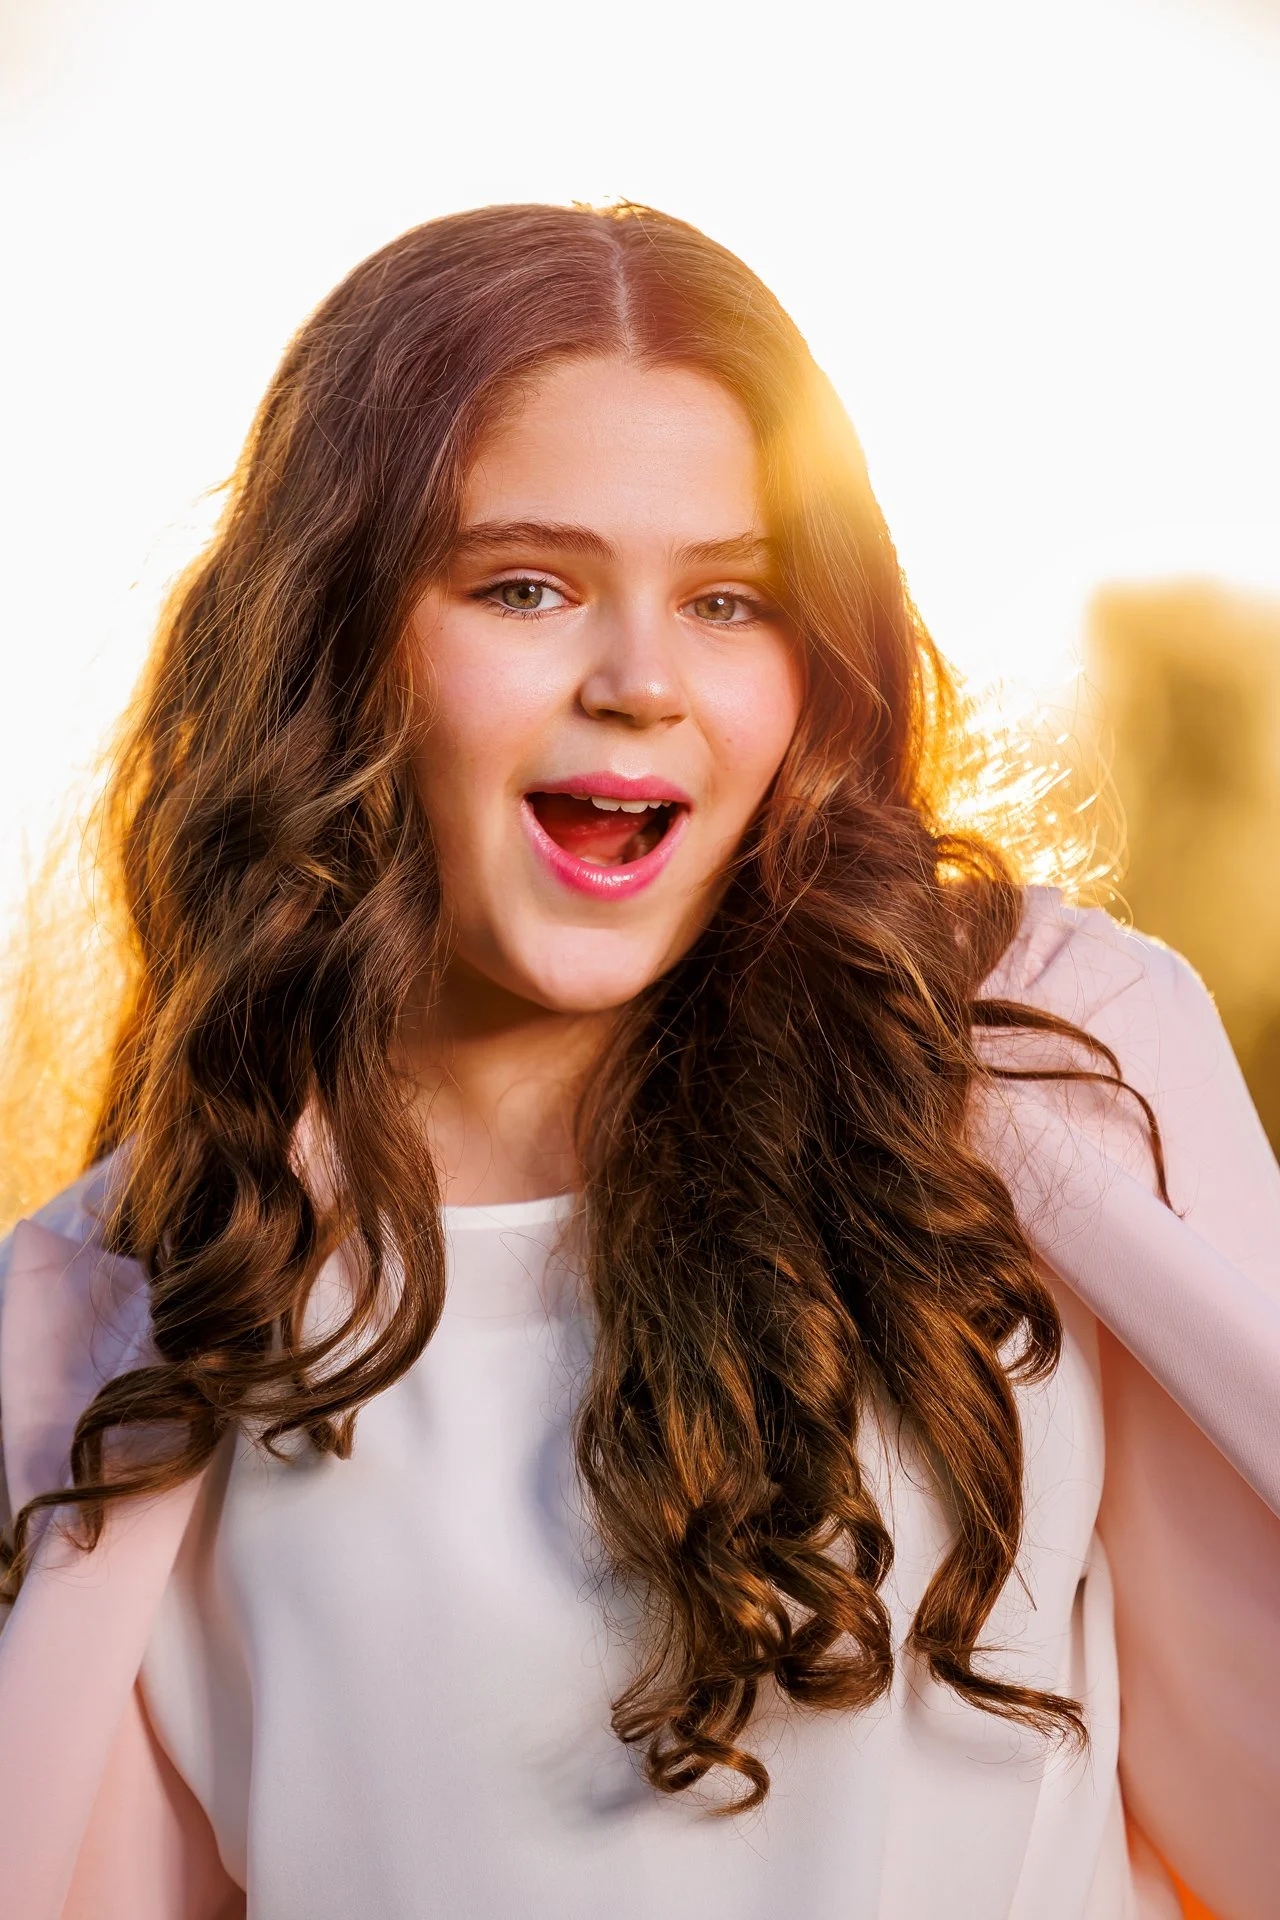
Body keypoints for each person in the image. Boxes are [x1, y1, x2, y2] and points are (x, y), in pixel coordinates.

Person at [0, 202, 1276, 1920]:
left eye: (731, 600)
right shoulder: (111, 1313)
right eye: (525, 585)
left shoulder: (1049, 1068)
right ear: (338, 637)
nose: (642, 681)